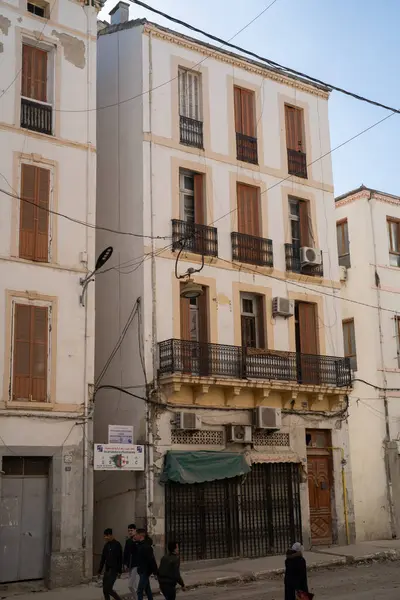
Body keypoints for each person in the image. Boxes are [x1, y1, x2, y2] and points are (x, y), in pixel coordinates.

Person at [98, 528, 123, 600]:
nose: (105, 538)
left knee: (108, 589)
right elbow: (103, 558)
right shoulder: (106, 546)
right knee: (105, 590)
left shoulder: (117, 545)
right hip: (107, 570)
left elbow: (120, 559)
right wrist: (99, 571)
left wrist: (119, 571)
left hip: (114, 570)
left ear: (110, 535)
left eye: (105, 536)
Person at [135, 528, 158, 600]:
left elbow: (151, 560)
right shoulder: (139, 545)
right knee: (147, 590)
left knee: (139, 591)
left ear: (141, 535)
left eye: (136, 534)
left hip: (145, 571)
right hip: (141, 570)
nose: (135, 536)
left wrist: (155, 572)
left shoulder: (146, 547)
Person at [124, 524, 138, 598]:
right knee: (134, 585)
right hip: (130, 565)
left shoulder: (138, 540)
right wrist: (125, 563)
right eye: (129, 531)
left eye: (131, 530)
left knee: (131, 585)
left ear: (135, 530)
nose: (130, 532)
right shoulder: (128, 541)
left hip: (137, 565)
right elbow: (125, 553)